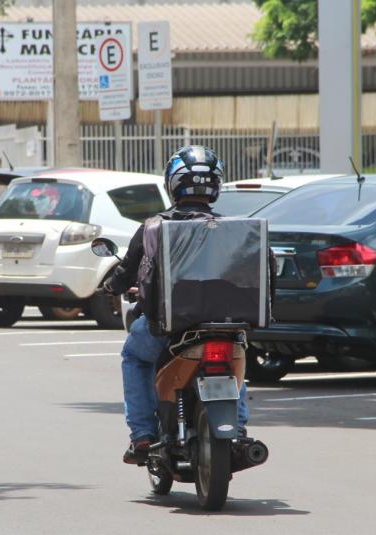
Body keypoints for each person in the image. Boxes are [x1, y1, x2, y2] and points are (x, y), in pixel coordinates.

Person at [103, 146, 250, 465]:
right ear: (215, 185)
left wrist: (112, 286)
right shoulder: (234, 229)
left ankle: (142, 435)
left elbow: (126, 270)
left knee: (133, 356)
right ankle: (238, 428)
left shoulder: (154, 226)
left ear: (173, 183)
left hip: (169, 327)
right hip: (224, 325)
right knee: (236, 358)